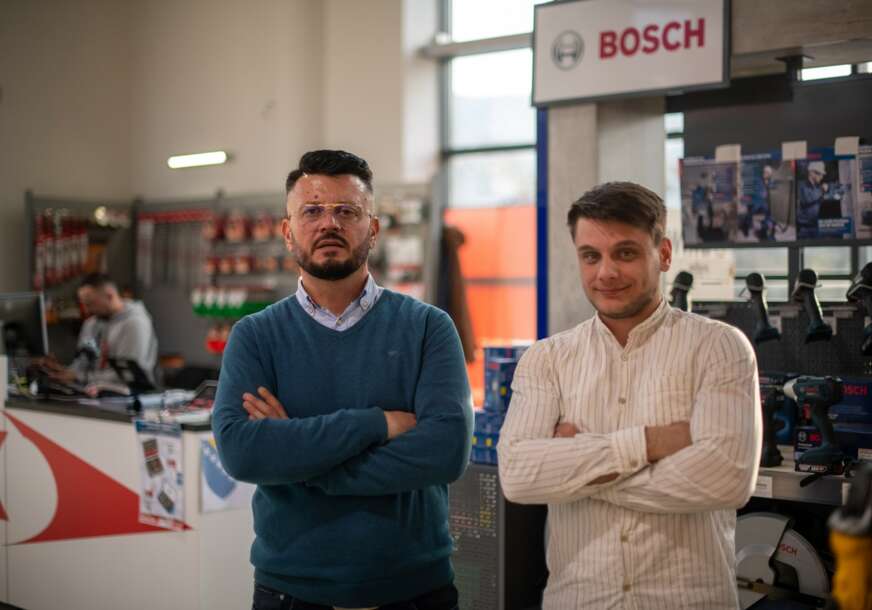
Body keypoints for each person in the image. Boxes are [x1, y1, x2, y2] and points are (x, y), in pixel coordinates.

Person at [211, 149, 473, 610]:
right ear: (287, 231)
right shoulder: (255, 336)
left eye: (346, 211)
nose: (328, 223)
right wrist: (376, 424)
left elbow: (446, 452)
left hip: (415, 591)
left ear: (372, 229)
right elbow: (241, 452)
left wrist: (299, 463)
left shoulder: (428, 328)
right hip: (291, 592)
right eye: (311, 211)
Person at [497, 182, 761, 609]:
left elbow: (725, 479)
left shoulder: (719, 348)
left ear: (664, 254)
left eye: (625, 253)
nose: (606, 272)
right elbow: (518, 476)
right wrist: (650, 444)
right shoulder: (547, 360)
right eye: (591, 256)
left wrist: (578, 472)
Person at [41, 273, 158, 387]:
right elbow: (83, 361)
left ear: (110, 296)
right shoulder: (92, 323)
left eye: (91, 304)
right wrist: (63, 370)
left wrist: (78, 377)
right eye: (84, 304)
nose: (87, 310)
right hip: (92, 389)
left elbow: (127, 375)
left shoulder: (135, 323)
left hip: (126, 392)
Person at [797, 160, 827, 237]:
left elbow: (819, 202)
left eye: (822, 174)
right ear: (811, 173)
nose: (822, 177)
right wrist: (822, 190)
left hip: (815, 226)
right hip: (804, 228)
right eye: (819, 173)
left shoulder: (817, 187)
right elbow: (807, 199)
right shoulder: (802, 185)